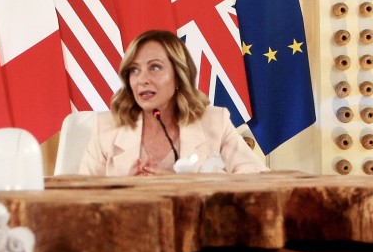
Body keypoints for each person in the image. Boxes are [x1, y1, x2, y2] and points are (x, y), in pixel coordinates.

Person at [79, 30, 267, 176]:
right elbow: (81, 197)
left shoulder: (215, 121)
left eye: (154, 67)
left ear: (178, 76)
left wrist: (188, 184)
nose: (142, 79)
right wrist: (124, 190)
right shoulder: (106, 127)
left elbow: (257, 177)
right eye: (134, 70)